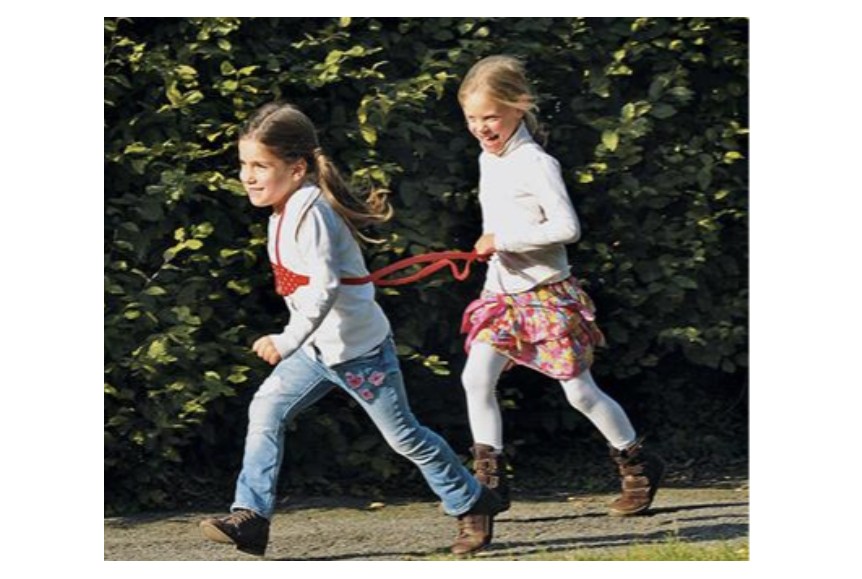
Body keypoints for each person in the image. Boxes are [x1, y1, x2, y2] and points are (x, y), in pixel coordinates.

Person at [200, 103, 503, 557]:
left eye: (260, 165)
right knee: (266, 410)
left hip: (358, 352)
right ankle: (252, 517)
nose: (248, 175)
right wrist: (297, 341)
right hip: (317, 351)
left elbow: (322, 287)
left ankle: (470, 498)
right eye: (244, 164)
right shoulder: (282, 212)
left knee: (404, 438)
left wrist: (285, 339)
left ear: (297, 167)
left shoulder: (310, 212)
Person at [455, 55, 665, 515]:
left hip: (547, 297)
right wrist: (494, 257)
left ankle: (638, 464)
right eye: (472, 118)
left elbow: (567, 228)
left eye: (490, 116)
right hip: (502, 297)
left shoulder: (535, 162)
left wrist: (503, 239)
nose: (481, 127)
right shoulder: (488, 160)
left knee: (579, 392)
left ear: (518, 107)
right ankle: (489, 483)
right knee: (476, 378)